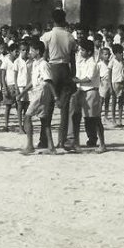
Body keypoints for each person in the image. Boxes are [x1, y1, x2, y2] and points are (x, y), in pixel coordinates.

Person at [40, 9, 77, 151]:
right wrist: (72, 76)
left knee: (48, 106)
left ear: (53, 20)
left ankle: (45, 140)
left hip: (52, 68)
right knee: (65, 109)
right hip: (65, 69)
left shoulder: (47, 36)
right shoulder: (70, 36)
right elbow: (73, 60)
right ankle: (62, 141)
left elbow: (44, 57)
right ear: (64, 20)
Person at [17, 39, 56, 155]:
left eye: (32, 50)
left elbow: (48, 81)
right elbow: (32, 82)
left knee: (27, 117)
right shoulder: (35, 63)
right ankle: (51, 147)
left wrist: (56, 96)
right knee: (44, 120)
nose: (30, 52)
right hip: (37, 92)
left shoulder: (44, 64)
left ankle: (30, 146)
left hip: (41, 92)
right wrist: (22, 93)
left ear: (38, 51)